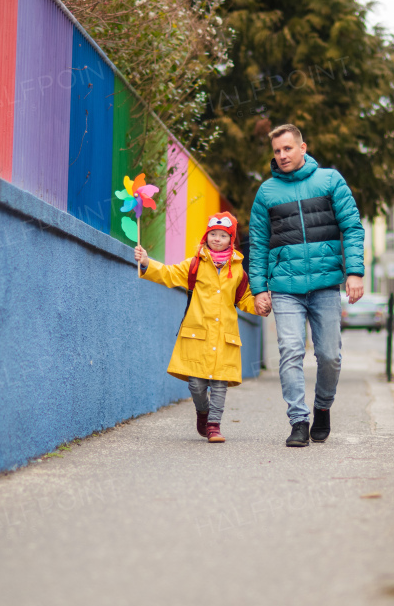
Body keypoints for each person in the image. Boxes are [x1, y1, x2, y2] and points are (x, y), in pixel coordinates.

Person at [248, 124, 365, 447]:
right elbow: (257, 245)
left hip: (326, 284)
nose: (282, 155)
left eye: (287, 148)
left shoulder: (330, 181)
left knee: (329, 356)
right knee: (291, 351)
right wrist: (259, 288)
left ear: (303, 148)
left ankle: (323, 406)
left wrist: (354, 271)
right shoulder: (267, 193)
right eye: (277, 151)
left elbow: (352, 227)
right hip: (285, 288)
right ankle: (298, 421)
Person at [135, 212, 256, 443]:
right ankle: (203, 411)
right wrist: (146, 263)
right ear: (206, 236)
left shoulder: (238, 270)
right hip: (197, 335)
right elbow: (168, 274)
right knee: (196, 384)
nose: (217, 239)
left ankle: (214, 425)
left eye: (223, 235)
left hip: (224, 338)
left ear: (231, 240)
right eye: (213, 234)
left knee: (220, 384)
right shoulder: (195, 265)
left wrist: (260, 305)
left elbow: (244, 299)